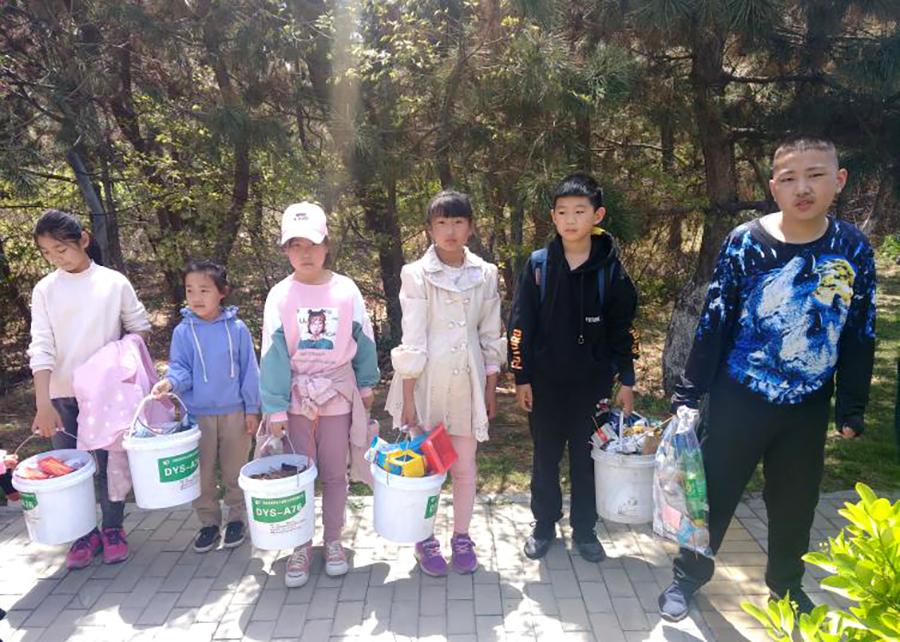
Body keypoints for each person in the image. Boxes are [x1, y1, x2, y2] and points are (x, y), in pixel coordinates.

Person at [658, 137, 877, 621]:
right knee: (712, 495)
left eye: (816, 175)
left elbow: (860, 330)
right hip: (739, 400)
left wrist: (852, 405)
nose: (803, 188)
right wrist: (689, 392)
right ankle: (687, 578)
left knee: (796, 503)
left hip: (807, 408)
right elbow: (714, 320)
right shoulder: (746, 242)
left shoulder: (853, 249)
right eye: (790, 178)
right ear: (774, 187)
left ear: (839, 181)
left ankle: (787, 587)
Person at [508, 173, 639, 563]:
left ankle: (585, 530)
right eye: (562, 211)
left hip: (592, 384)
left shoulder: (611, 270)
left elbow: (624, 329)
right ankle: (544, 525)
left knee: (587, 460)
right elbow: (519, 327)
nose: (570, 219)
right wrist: (522, 377)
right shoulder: (538, 266)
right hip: (545, 383)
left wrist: (627, 379)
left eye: (580, 211)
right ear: (552, 216)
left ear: (597, 215)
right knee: (545, 457)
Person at [385, 190, 507, 576]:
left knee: (464, 465)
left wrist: (490, 388)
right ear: (429, 229)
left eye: (458, 222)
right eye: (441, 223)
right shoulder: (416, 274)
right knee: (427, 466)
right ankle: (424, 539)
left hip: (469, 381)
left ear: (471, 227)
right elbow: (412, 337)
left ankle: (462, 537)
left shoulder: (485, 273)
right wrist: (408, 398)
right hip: (426, 383)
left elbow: (490, 334)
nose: (450, 231)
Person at [260, 201, 380, 588]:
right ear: (285, 250)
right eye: (295, 245)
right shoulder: (280, 295)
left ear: (326, 245)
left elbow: (364, 340)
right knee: (299, 474)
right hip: (296, 398)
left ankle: (332, 540)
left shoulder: (346, 290)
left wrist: (366, 384)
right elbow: (273, 354)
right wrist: (276, 408)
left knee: (333, 473)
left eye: (312, 244)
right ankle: (299, 545)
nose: (305, 253)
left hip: (337, 395)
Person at [28, 209, 151, 568]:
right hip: (61, 397)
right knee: (71, 471)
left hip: (106, 396)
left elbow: (139, 327)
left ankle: (113, 528)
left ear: (83, 240)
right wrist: (43, 404)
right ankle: (84, 534)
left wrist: (116, 362)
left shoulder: (113, 282)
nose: (55, 258)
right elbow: (41, 346)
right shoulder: (45, 290)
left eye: (61, 248)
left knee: (109, 465)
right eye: (47, 252)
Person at [151, 260, 260, 552]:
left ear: (222, 291)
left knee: (235, 471)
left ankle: (237, 519)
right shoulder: (183, 332)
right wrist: (169, 383)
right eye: (190, 290)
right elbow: (181, 370)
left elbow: (250, 371)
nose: (196, 297)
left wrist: (252, 409)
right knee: (201, 474)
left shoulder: (237, 329)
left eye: (204, 290)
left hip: (236, 414)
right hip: (197, 417)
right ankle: (209, 523)